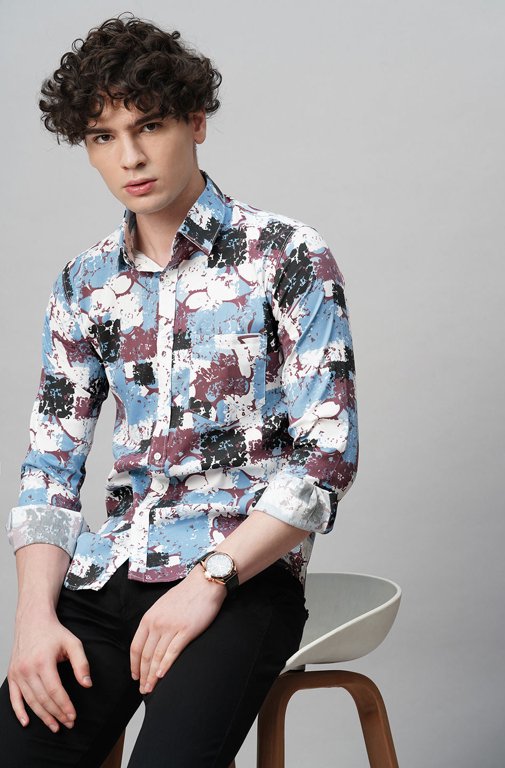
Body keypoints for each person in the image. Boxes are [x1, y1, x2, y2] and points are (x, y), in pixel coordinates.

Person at [0, 14, 358, 767]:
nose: (129, 157)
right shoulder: (83, 283)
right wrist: (33, 618)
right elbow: (49, 467)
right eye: (103, 137)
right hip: (110, 574)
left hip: (239, 579)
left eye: (149, 126)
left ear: (196, 122)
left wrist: (211, 579)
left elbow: (326, 457)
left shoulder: (286, 255)